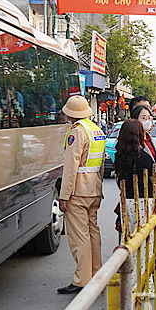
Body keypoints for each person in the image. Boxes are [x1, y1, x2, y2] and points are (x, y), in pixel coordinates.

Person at [57, 95, 106, 295]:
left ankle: (82, 279)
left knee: (79, 236)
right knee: (93, 232)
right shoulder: (96, 130)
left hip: (78, 191)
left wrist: (64, 195)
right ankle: (97, 274)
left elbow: (71, 167)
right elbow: (101, 163)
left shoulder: (76, 132)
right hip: (94, 188)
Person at [113, 119, 156, 233]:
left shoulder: (119, 156)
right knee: (145, 239)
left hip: (127, 201)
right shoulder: (144, 157)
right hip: (145, 201)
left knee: (130, 239)